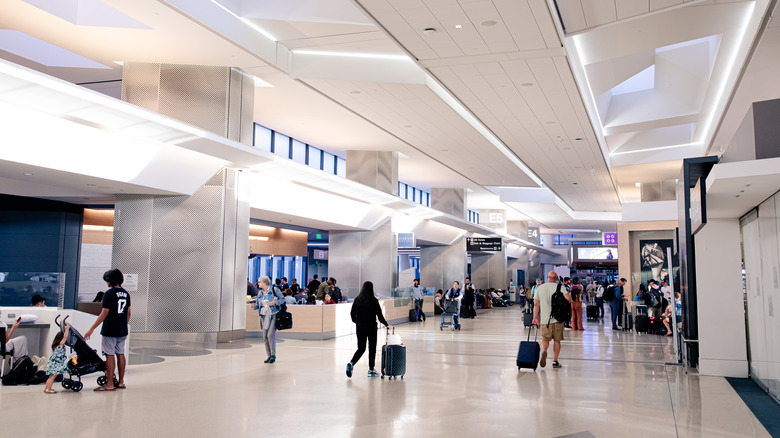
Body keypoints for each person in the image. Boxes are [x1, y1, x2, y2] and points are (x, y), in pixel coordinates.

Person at [84, 268, 131, 392]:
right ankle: (121, 382)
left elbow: (104, 313)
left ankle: (109, 384)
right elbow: (128, 313)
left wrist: (91, 329)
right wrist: (123, 325)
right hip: (122, 330)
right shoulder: (126, 293)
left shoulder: (109, 294)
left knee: (109, 355)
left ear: (110, 281)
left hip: (110, 330)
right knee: (120, 354)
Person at [346, 281, 392, 378]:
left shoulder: (357, 300)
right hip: (371, 326)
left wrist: (357, 322)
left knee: (361, 348)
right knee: (372, 349)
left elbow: (352, 314)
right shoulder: (374, 300)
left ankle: (351, 363)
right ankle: (371, 370)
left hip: (360, 327)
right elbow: (379, 315)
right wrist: (387, 324)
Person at [532, 271, 571, 369]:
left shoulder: (540, 288)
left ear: (547, 277)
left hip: (545, 320)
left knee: (545, 338)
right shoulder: (560, 287)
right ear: (556, 278)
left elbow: (536, 304)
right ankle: (555, 361)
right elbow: (569, 299)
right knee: (557, 341)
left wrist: (535, 318)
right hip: (558, 319)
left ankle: (544, 351)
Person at [254, 276, 284, 364]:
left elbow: (282, 299)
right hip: (264, 316)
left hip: (273, 314)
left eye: (259, 282)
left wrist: (274, 302)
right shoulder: (260, 293)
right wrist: (253, 306)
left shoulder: (275, 290)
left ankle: (273, 355)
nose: (258, 283)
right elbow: (258, 305)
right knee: (265, 336)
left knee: (270, 334)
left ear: (265, 283)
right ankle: (269, 355)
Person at [43, 323, 69, 394]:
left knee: (51, 377)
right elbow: (65, 337)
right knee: (52, 377)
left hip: (52, 363)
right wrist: (67, 329)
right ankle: (48, 389)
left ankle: (47, 388)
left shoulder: (55, 345)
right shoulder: (60, 345)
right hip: (56, 365)